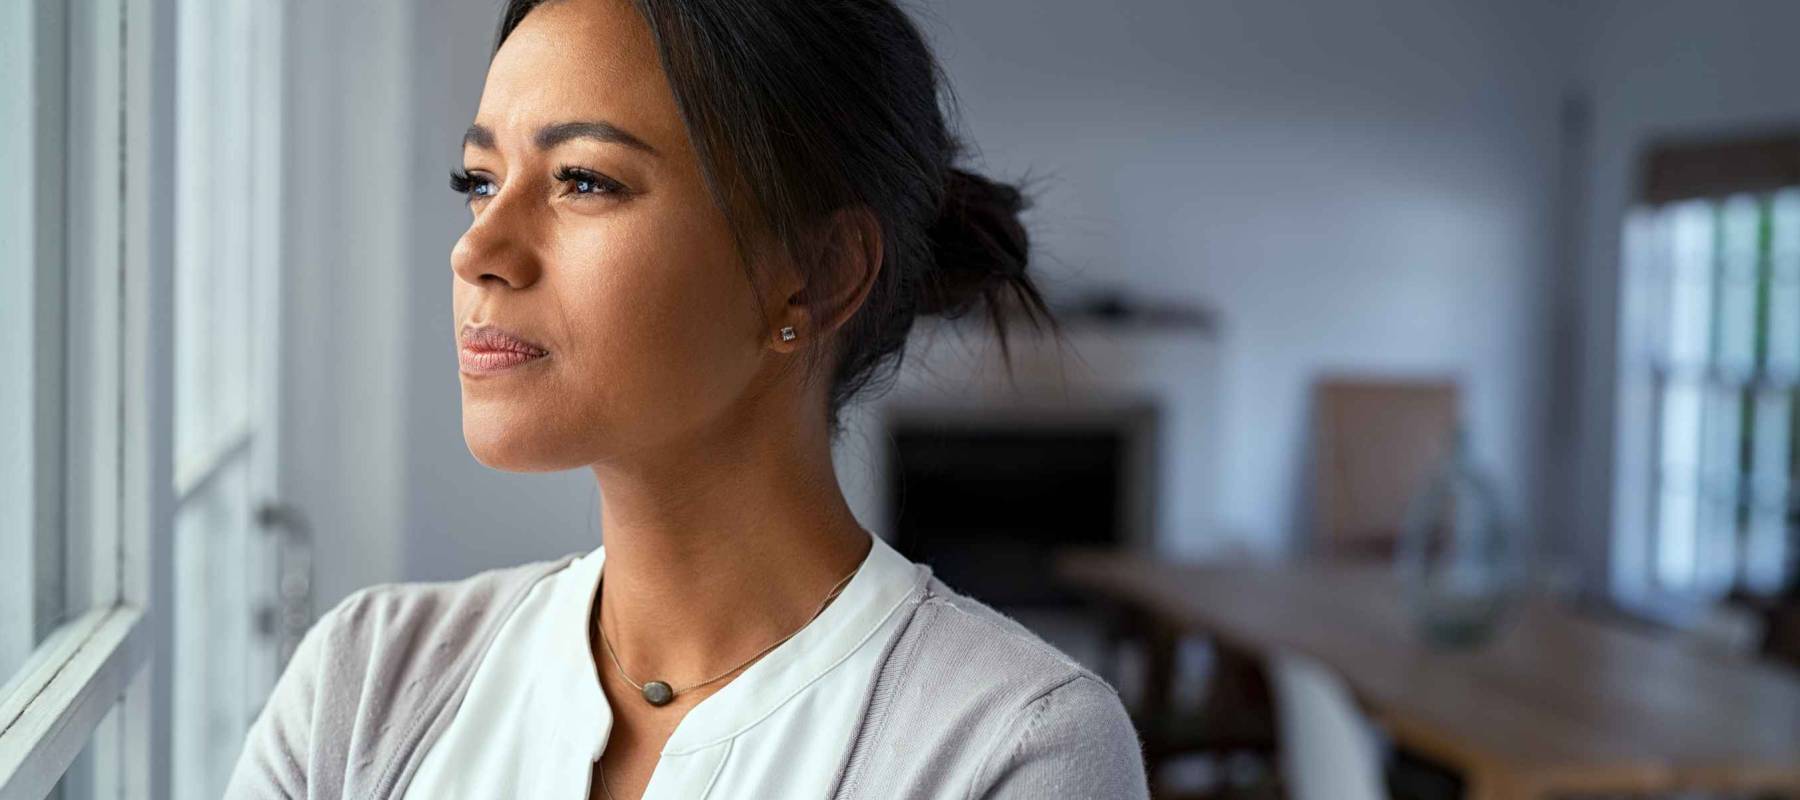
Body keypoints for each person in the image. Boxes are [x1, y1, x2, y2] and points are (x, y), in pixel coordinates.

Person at [225, 0, 1149, 797]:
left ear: (815, 276)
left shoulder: (1012, 751)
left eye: (583, 180)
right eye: (480, 181)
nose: (477, 251)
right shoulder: (364, 682)